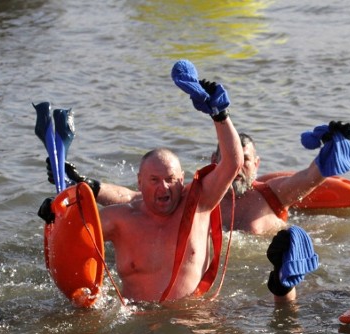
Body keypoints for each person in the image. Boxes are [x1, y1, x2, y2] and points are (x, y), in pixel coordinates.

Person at [40, 61, 244, 303]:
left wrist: (219, 115)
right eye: (155, 180)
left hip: (191, 322)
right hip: (136, 327)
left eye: (170, 180)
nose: (164, 187)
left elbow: (232, 163)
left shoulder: (198, 205)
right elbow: (70, 240)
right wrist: (56, 213)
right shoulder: (120, 220)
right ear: (140, 182)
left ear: (182, 180)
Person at [50, 122, 350, 236]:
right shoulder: (194, 196)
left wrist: (331, 150)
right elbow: (135, 199)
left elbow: (309, 178)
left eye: (244, 162)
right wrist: (91, 186)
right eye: (227, 162)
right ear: (215, 164)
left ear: (256, 164)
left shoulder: (270, 194)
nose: (237, 169)